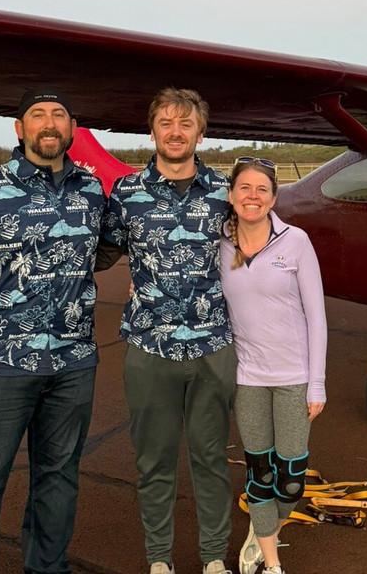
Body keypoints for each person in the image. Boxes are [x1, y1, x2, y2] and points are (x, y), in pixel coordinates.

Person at [0, 87, 108, 574]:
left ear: (72, 129)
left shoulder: (92, 190)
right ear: (19, 129)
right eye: (37, 115)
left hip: (73, 365)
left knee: (57, 479)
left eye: (59, 115)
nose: (49, 123)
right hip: (0, 367)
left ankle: (47, 568)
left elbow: (108, 248)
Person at [100, 88, 237, 574]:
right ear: (152, 129)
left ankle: (214, 557)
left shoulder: (226, 193)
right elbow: (97, 253)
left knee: (210, 460)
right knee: (154, 463)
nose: (175, 131)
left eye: (185, 123)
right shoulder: (126, 193)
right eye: (165, 122)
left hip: (212, 347)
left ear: (202, 133)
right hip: (148, 346)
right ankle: (159, 559)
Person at [219, 158, 327, 574]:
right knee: (259, 473)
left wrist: (316, 384)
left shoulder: (295, 241)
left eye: (262, 189)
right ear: (231, 196)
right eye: (244, 187)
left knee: (291, 479)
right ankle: (271, 559)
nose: (252, 196)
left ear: (274, 198)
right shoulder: (219, 245)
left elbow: (316, 317)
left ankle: (263, 528)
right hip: (248, 379)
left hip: (294, 378)